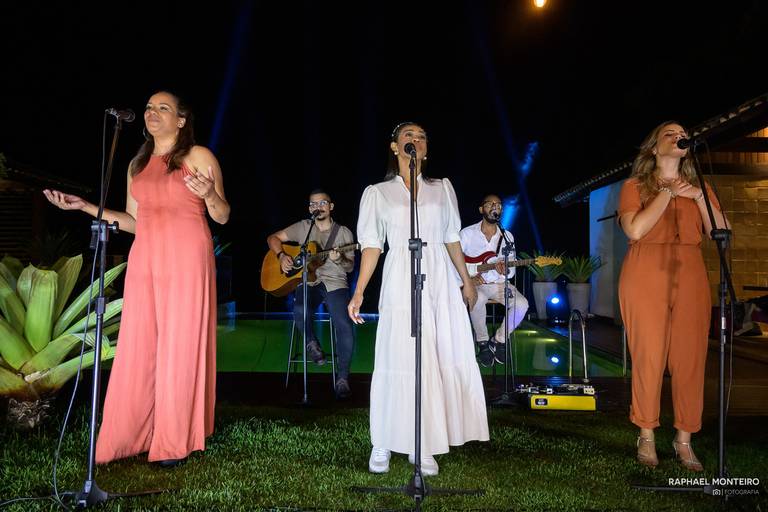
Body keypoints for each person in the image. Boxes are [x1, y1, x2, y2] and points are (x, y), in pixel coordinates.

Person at [44, 90, 229, 467]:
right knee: (139, 343)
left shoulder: (199, 156)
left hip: (187, 257)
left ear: (180, 120)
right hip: (146, 257)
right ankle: (131, 435)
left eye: (163, 108)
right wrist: (86, 207)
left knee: (180, 343)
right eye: (148, 107)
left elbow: (222, 215)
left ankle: (174, 439)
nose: (152, 112)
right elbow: (133, 221)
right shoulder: (137, 164)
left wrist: (210, 193)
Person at [347, 122, 489, 476]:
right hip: (400, 276)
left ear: (426, 149)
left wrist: (466, 282)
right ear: (395, 147)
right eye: (408, 136)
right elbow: (372, 246)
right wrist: (359, 291)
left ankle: (423, 443)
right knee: (397, 355)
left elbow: (452, 238)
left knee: (435, 356)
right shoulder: (378, 193)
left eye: (422, 136)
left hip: (439, 278)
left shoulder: (442, 188)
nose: (416, 140)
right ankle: (383, 440)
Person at [617, 120, 729, 471]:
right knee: (649, 355)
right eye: (670, 133)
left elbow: (722, 231)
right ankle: (646, 434)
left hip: (690, 270)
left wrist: (696, 196)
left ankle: (684, 439)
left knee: (690, 357)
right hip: (645, 270)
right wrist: (667, 193)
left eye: (682, 134)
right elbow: (635, 229)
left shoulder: (699, 188)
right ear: (654, 148)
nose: (679, 136)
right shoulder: (635, 186)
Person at [267, 189, 356, 398]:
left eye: (323, 203)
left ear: (331, 206)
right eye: (314, 204)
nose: (318, 207)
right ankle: (311, 342)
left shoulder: (344, 232)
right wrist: (281, 256)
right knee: (299, 308)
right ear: (310, 209)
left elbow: (350, 266)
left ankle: (343, 378)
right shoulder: (303, 228)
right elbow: (273, 238)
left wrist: (339, 259)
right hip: (309, 281)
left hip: (335, 283)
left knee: (344, 324)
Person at [460, 194, 529, 367]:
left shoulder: (507, 237)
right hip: (477, 284)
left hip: (499, 284)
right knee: (477, 299)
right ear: (481, 209)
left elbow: (511, 268)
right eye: (490, 204)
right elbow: (456, 261)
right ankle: (482, 342)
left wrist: (505, 270)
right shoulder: (467, 234)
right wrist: (468, 280)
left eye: (498, 204)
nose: (495, 207)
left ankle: (499, 340)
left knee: (522, 304)